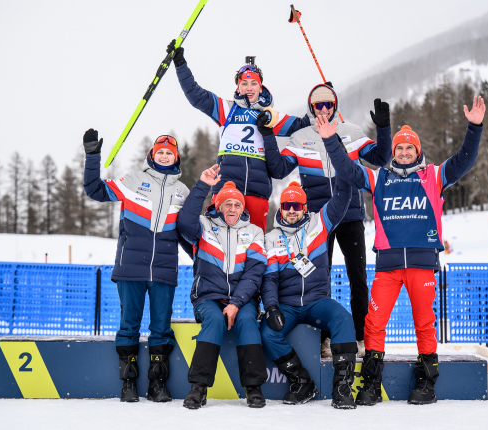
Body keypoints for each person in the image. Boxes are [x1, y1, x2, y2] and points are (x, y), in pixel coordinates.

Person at [320, 96, 486, 405]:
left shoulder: (434, 176)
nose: (405, 152)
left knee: (424, 322)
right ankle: (371, 383)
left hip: (422, 265)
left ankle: (427, 383)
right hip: (389, 266)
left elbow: (464, 159)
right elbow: (347, 169)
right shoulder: (380, 178)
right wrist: (331, 141)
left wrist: (474, 127)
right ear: (393, 153)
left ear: (418, 151)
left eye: (410, 147)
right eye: (399, 148)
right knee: (374, 323)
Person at [259, 83, 392, 357]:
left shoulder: (351, 132)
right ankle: (325, 339)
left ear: (335, 106)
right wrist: (268, 135)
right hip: (317, 221)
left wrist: (383, 128)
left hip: (350, 213)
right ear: (310, 107)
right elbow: (278, 168)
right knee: (321, 279)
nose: (322, 109)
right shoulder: (301, 136)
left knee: (358, 278)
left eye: (327, 104)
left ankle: (360, 336)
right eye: (317, 105)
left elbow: (380, 159)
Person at [83, 129, 190, 403]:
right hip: (131, 265)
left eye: (169, 153)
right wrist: (93, 156)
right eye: (160, 152)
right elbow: (95, 190)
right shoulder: (133, 180)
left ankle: (157, 384)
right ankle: (128, 382)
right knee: (129, 324)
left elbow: (189, 230)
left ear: (176, 157)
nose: (165, 156)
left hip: (164, 269)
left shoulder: (182, 191)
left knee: (161, 327)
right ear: (152, 154)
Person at [168, 40, 311, 233]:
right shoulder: (226, 109)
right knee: (223, 245)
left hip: (257, 192)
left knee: (253, 247)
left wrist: (324, 99)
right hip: (227, 190)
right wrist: (180, 64)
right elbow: (195, 95)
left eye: (254, 83)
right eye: (244, 83)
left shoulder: (269, 116)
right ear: (238, 87)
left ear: (261, 88)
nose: (249, 88)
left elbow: (302, 125)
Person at [260, 178, 359, 409]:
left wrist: (345, 168)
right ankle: (302, 382)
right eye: (287, 206)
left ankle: (343, 387)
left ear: (305, 207)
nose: (291, 211)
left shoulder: (319, 223)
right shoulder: (272, 238)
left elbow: (343, 197)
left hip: (317, 301)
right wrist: (272, 306)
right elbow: (270, 279)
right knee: (268, 332)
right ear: (280, 207)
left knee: (343, 318)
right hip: (288, 305)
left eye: (296, 206)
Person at [177, 166, 268, 409]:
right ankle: (198, 387)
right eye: (227, 204)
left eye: (237, 205)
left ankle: (253, 388)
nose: (232, 209)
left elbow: (255, 272)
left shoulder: (255, 232)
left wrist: (236, 303)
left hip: (244, 299)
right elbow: (184, 223)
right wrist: (203, 186)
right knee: (215, 321)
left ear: (242, 209)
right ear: (218, 205)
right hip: (208, 297)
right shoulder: (203, 226)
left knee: (248, 321)